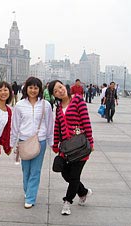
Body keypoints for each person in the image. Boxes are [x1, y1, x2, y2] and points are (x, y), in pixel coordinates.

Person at [48, 80, 94, 216]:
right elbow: (57, 127)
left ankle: (67, 202)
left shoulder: (78, 100)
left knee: (74, 176)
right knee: (64, 172)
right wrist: (55, 144)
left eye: (60, 87)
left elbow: (86, 121)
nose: (59, 91)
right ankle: (83, 192)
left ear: (65, 86)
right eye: (55, 91)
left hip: (80, 146)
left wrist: (90, 142)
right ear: (54, 95)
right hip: (67, 147)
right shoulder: (58, 108)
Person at [11, 77, 54, 209]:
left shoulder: (45, 105)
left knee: (35, 171)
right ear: (26, 88)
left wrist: (51, 142)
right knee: (26, 170)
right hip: (24, 141)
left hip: (40, 141)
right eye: (31, 87)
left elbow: (50, 124)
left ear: (40, 89)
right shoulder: (19, 105)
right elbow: (15, 125)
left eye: (36, 88)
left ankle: (30, 197)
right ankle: (27, 190)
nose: (33, 90)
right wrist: (12, 143)